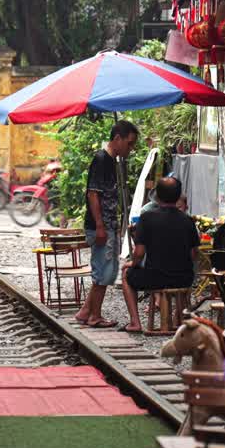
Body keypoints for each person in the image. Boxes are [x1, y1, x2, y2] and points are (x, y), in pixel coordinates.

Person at [73, 120, 139, 329]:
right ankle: (95, 316)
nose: (131, 148)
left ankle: (85, 312)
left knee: (106, 270)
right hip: (101, 226)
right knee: (104, 272)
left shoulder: (111, 161)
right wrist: (100, 225)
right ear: (117, 138)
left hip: (109, 224)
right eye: (129, 143)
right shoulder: (102, 159)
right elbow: (93, 193)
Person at [119, 177, 198, 333]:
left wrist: (132, 264)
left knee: (126, 274)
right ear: (178, 196)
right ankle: (178, 319)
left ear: (158, 196)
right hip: (183, 278)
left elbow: (139, 253)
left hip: (154, 278)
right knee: (184, 274)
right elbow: (194, 254)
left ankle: (135, 322)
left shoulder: (147, 218)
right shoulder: (188, 220)